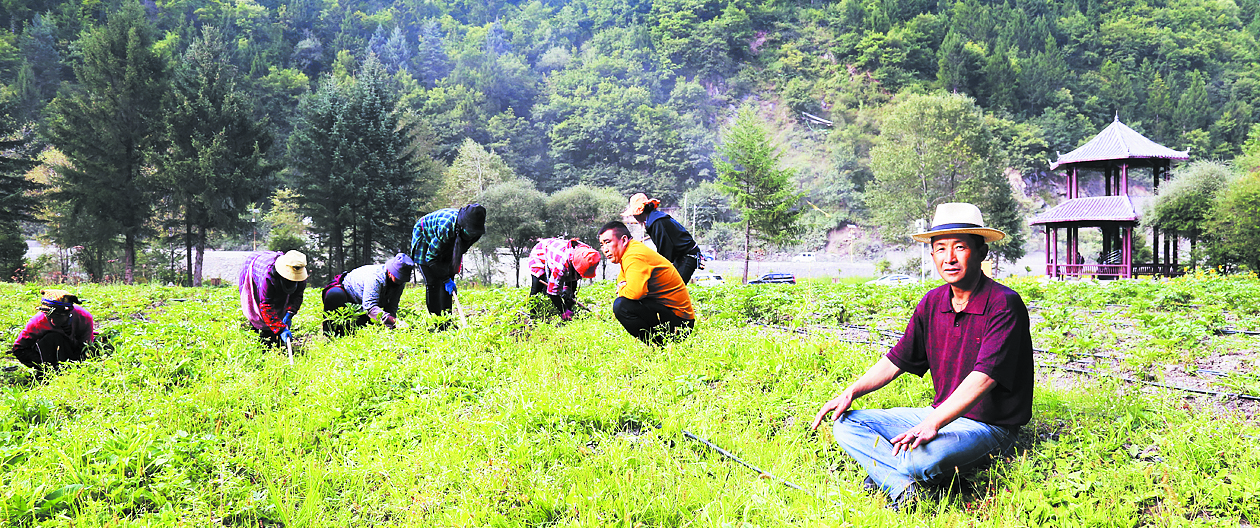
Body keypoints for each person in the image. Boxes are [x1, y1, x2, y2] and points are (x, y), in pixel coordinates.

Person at [810, 202, 1033, 509]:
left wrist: (933, 423)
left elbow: (984, 378)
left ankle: (886, 475)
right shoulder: (932, 302)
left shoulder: (1004, 303)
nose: (949, 258)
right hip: (938, 413)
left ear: (982, 252)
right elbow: (897, 359)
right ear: (932, 256)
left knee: (919, 458)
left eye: (960, 247)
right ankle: (904, 489)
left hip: (989, 426)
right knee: (846, 424)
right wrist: (851, 392)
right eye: (940, 248)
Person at [597, 221, 695, 345]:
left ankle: (659, 345)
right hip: (671, 314)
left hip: (680, 323)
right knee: (625, 302)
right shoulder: (630, 251)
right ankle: (660, 345)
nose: (605, 249)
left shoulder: (634, 256)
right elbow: (622, 279)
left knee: (622, 306)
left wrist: (622, 289)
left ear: (624, 240)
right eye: (602, 245)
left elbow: (635, 293)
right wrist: (624, 286)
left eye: (608, 242)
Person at [410, 204, 486, 319]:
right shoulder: (447, 227)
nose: (471, 236)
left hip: (447, 240)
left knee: (448, 280)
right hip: (424, 235)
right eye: (469, 231)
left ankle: (447, 320)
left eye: (473, 232)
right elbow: (431, 258)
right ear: (462, 226)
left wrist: (448, 275)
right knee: (433, 282)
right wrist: (445, 279)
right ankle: (436, 321)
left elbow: (459, 249)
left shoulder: (476, 233)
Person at [322, 253, 416, 335]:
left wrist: (392, 326)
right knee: (334, 296)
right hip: (348, 296)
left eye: (402, 279)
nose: (400, 281)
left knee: (364, 328)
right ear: (390, 272)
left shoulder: (400, 283)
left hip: (362, 305)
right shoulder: (376, 278)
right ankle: (329, 334)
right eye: (398, 278)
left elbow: (392, 306)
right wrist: (395, 322)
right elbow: (370, 307)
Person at [623, 193, 703, 284]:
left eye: (633, 214)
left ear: (640, 212)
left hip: (688, 256)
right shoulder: (653, 219)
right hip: (680, 256)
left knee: (673, 287)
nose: (633, 217)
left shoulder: (657, 222)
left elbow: (666, 250)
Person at [10, 289, 96, 370]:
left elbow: (86, 348)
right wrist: (43, 366)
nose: (52, 321)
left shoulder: (84, 317)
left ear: (68, 313)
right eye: (49, 317)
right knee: (52, 337)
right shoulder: (37, 321)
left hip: (72, 354)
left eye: (57, 317)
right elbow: (19, 348)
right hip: (47, 355)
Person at [240, 250, 308, 347]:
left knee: (281, 302)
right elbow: (266, 304)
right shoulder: (268, 276)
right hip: (256, 268)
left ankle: (275, 331)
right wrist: (280, 328)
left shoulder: (300, 278)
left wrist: (290, 313)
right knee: (258, 306)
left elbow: (297, 296)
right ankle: (259, 331)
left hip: (275, 278)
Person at [527, 237, 602, 321]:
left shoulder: (588, 254)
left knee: (569, 289)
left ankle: (568, 307)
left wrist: (568, 290)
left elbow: (573, 280)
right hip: (540, 253)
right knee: (537, 286)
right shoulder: (561, 265)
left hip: (557, 253)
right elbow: (552, 291)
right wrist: (564, 310)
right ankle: (532, 315)